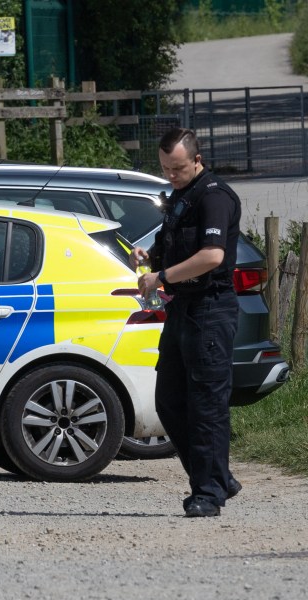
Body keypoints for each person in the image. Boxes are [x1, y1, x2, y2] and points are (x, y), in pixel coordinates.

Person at [131, 127, 243, 518]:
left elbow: (212, 255)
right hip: (183, 310)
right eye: (165, 169)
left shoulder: (214, 197)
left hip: (211, 310)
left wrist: (160, 278)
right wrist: (151, 259)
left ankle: (208, 495)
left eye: (177, 168)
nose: (171, 176)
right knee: (169, 401)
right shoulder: (180, 197)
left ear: (197, 160)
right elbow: (175, 249)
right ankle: (218, 476)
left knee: (206, 405)